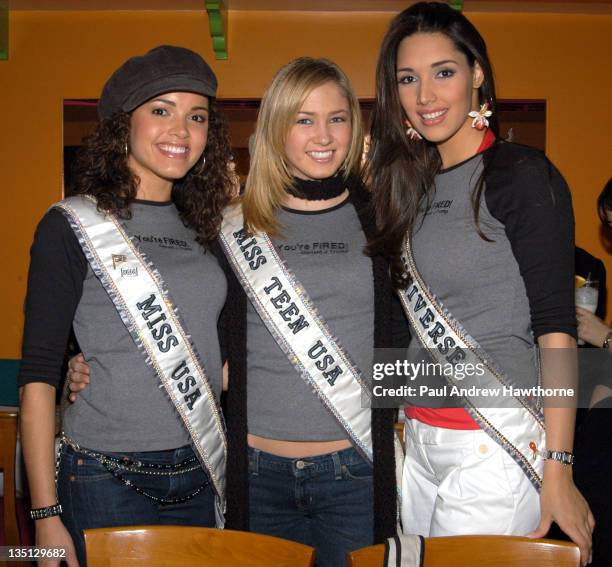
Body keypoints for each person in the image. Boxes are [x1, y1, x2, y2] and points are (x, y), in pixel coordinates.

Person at [70, 56, 407, 567]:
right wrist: (83, 363)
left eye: (337, 118)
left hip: (356, 471)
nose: (323, 135)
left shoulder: (383, 221)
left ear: (354, 126)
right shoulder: (228, 227)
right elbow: (188, 325)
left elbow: (412, 338)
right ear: (275, 128)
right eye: (303, 119)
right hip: (252, 472)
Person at [367, 3, 594, 565]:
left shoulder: (520, 175)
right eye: (408, 79)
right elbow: (402, 324)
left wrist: (559, 468)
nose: (426, 96)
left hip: (493, 441)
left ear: (477, 75)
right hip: (418, 441)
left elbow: (556, 331)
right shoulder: (404, 189)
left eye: (444, 72)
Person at [18, 45, 233, 566]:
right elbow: (39, 376)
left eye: (196, 115)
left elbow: (222, 355)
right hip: (103, 473)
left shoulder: (212, 230)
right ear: (123, 125)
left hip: (201, 467)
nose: (181, 130)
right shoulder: (70, 225)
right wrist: (45, 518)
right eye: (162, 110)